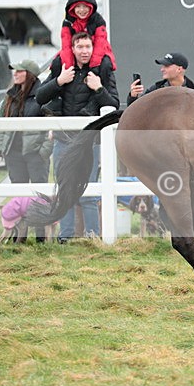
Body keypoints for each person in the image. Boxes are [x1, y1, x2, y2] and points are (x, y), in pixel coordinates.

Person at [37, 31, 120, 242]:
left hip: (88, 143)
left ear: (93, 49)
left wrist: (98, 87)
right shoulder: (64, 69)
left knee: (89, 193)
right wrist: (59, 81)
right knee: (65, 190)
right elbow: (39, 96)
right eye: (80, 47)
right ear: (72, 49)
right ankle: (65, 238)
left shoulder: (101, 72)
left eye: (87, 47)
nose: (84, 51)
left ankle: (92, 238)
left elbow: (114, 104)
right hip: (63, 140)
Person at [0, 60, 53, 243]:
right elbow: (1, 123)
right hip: (14, 153)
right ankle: (19, 238)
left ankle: (40, 238)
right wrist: (2, 147)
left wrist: (43, 151)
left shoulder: (42, 95)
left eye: (20, 71)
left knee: (40, 196)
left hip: (35, 153)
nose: (16, 74)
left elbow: (52, 124)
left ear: (30, 74)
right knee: (19, 196)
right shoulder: (10, 96)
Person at [44, 0, 117, 116]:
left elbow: (100, 43)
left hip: (98, 54)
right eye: (78, 6)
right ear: (72, 8)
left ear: (91, 7)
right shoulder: (67, 22)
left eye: (85, 6)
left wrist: (94, 69)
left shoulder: (98, 20)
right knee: (56, 63)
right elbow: (66, 44)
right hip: (73, 55)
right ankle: (56, 101)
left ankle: (92, 105)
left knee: (105, 64)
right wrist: (66, 70)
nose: (82, 10)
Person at [127, 52, 194, 106]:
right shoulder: (155, 90)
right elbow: (137, 113)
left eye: (166, 66)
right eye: (163, 66)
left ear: (179, 69)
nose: (162, 69)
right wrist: (133, 96)